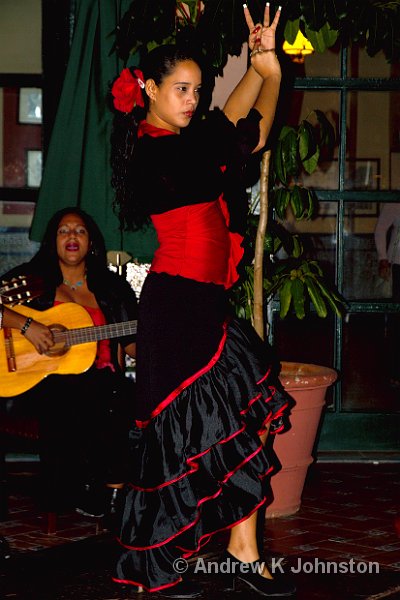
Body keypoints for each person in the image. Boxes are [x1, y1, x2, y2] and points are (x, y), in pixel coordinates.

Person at [110, 4, 295, 598]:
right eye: (180, 89)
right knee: (177, 442)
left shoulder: (185, 144)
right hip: (176, 311)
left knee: (241, 424)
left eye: (196, 88)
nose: (191, 99)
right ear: (150, 90)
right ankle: (155, 568)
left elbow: (235, 129)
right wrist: (269, 74)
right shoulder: (157, 152)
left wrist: (266, 70)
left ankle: (243, 550)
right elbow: (245, 134)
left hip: (202, 307)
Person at [0, 207, 138, 527]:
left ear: (91, 242)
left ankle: (108, 492)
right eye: (64, 231)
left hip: (104, 384)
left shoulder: (112, 290)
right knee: (85, 390)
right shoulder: (32, 281)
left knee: (118, 394)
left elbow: (132, 345)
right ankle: (98, 488)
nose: (72, 236)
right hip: (37, 382)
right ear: (54, 241)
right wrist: (27, 326)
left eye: (80, 230)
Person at [374, 202, 400, 386]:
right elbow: (381, 228)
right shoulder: (395, 202)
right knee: (397, 322)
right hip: (399, 264)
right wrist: (383, 257)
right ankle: (396, 372)